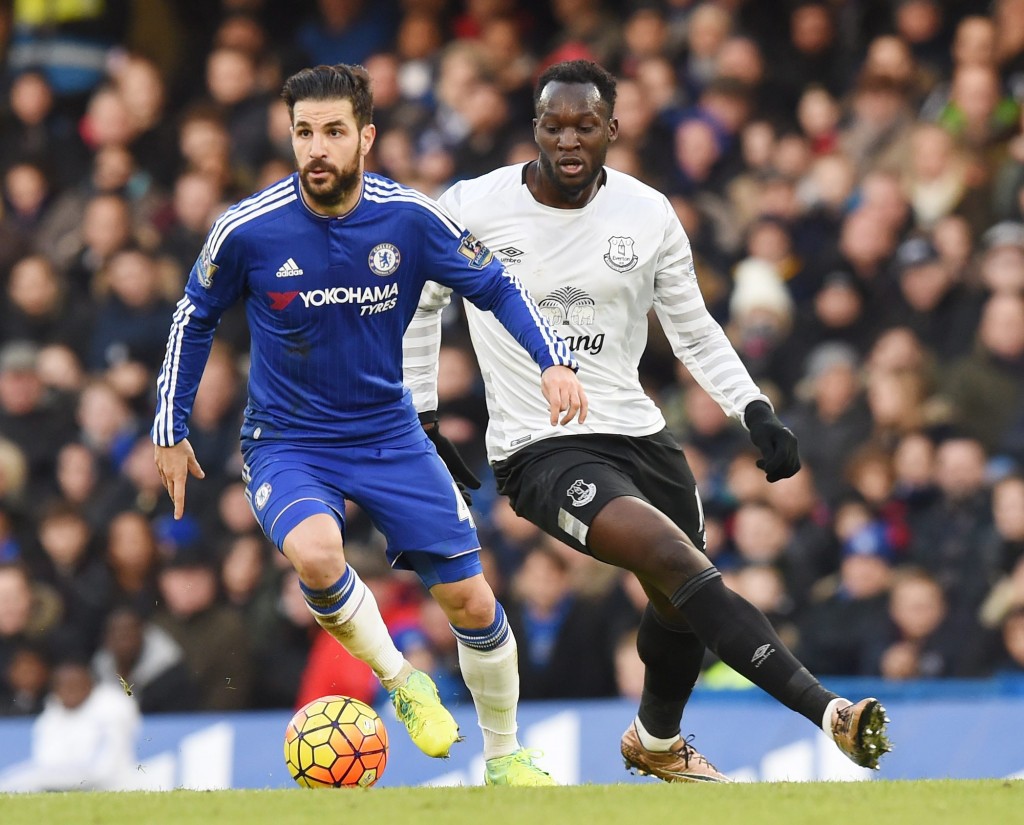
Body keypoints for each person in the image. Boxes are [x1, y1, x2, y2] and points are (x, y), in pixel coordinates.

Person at [406, 59, 891, 783]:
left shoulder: (647, 212)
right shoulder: (474, 205)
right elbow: (423, 299)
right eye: (554, 125)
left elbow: (693, 329)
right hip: (542, 450)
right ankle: (830, 712)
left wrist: (753, 408)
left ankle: (657, 741)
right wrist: (423, 413)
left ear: (613, 128)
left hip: (641, 434)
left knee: (678, 598)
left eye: (586, 125)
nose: (569, 140)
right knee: (675, 560)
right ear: (534, 128)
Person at [151, 63, 587, 786]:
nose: (316, 148)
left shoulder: (410, 218)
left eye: (333, 131)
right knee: (316, 553)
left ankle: (506, 755)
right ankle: (402, 678)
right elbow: (193, 317)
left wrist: (553, 362)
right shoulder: (248, 228)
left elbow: (497, 286)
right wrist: (170, 426)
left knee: (472, 601)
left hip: (389, 433)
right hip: (287, 440)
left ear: (366, 137)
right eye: (303, 133)